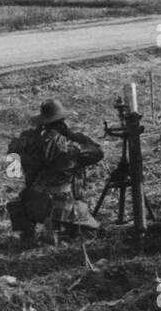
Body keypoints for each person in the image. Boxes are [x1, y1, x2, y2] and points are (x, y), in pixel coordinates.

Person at [6, 100, 103, 243]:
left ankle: (29, 231)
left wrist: (32, 137)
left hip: (32, 203)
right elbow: (98, 152)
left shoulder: (24, 142)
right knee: (93, 232)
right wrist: (72, 134)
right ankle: (57, 226)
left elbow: (12, 171)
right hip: (62, 204)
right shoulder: (68, 145)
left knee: (28, 196)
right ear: (61, 122)